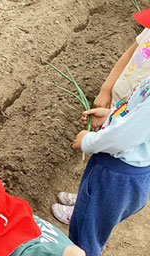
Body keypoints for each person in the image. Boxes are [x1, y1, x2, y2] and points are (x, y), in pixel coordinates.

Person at [52, 8, 150, 224]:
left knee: (110, 168)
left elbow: (134, 128)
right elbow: (128, 56)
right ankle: (85, 198)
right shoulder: (148, 33)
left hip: (132, 121)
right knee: (101, 160)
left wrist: (89, 140)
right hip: (117, 107)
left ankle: (88, 210)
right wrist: (107, 89)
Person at [69, 74, 150, 256]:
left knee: (85, 237)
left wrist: (88, 141)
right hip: (126, 171)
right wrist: (111, 116)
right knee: (87, 223)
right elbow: (137, 116)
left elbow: (126, 135)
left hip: (116, 175)